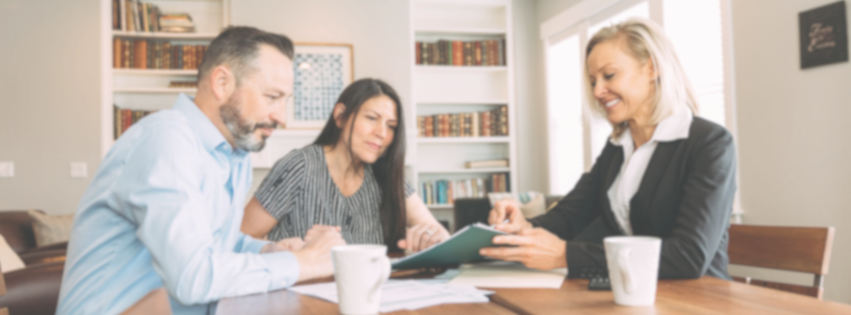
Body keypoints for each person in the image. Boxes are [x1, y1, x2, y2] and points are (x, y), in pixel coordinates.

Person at [57, 26, 346, 315]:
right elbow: (192, 276)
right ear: (221, 83)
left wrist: (271, 251)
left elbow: (219, 239)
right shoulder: (167, 139)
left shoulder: (235, 153)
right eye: (272, 97)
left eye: (286, 100)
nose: (282, 117)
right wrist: (306, 262)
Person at [481, 17, 737, 280]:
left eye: (609, 75)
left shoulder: (709, 143)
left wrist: (566, 255)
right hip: (635, 294)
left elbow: (688, 256)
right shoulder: (618, 146)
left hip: (699, 299)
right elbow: (571, 215)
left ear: (652, 69)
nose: (598, 91)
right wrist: (524, 225)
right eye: (593, 81)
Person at [241, 78, 450, 253]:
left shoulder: (387, 175)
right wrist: (288, 249)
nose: (382, 133)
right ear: (341, 116)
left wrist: (436, 236)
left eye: (391, 126)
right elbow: (241, 238)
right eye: (371, 118)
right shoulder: (298, 166)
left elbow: (437, 232)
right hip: (300, 295)